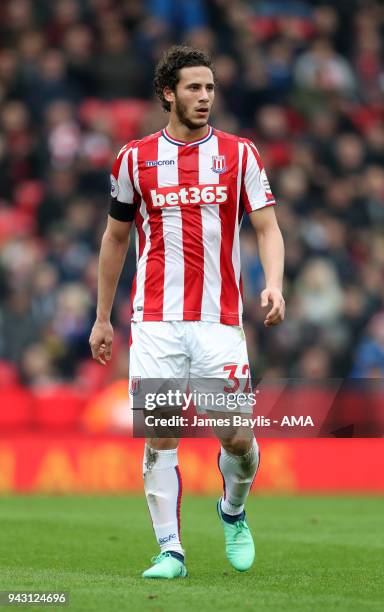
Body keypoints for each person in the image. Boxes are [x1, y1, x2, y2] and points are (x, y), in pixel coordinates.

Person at [89, 45, 285, 579]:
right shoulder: (134, 159)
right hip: (154, 321)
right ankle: (170, 550)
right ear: (167, 94)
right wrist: (103, 317)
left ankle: (233, 509)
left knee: (238, 441)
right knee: (162, 431)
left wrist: (275, 285)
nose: (205, 97)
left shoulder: (241, 154)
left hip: (219, 322)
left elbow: (267, 227)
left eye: (211, 87)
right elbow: (114, 238)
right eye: (194, 88)